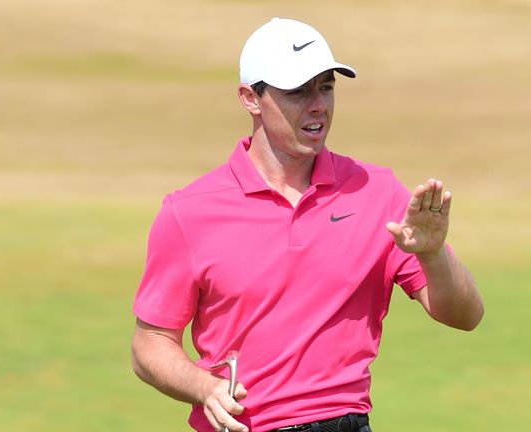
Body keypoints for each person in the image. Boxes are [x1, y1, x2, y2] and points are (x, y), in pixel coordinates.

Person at [131, 17, 484, 432]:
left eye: (326, 87)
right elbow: (149, 344)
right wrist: (203, 387)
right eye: (298, 91)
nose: (318, 105)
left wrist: (432, 253)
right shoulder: (189, 212)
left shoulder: (378, 192)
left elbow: (466, 316)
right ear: (250, 98)